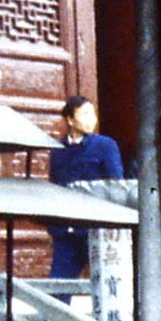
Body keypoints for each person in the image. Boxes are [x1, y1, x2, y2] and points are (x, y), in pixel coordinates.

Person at [44, 94, 123, 279]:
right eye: (85, 114)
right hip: (66, 232)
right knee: (59, 287)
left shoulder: (105, 146)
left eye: (92, 114)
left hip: (96, 229)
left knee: (107, 285)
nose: (92, 119)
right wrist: (53, 229)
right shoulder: (57, 150)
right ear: (70, 119)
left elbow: (115, 185)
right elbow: (54, 187)